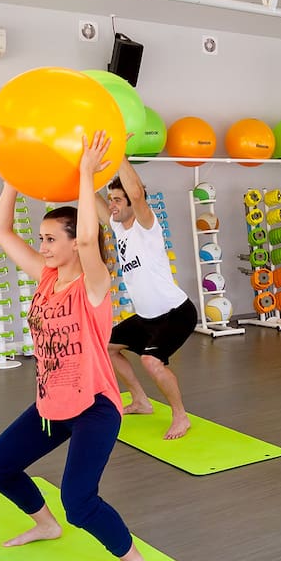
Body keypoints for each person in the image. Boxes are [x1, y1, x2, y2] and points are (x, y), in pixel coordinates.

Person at [0, 133, 148, 561]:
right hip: (52, 403)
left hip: (94, 406)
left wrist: (84, 173)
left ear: (77, 244)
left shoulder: (96, 285)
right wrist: (12, 178)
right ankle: (44, 525)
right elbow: (1, 232)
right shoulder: (46, 277)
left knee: (80, 501)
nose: (45, 246)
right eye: (43, 239)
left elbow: (93, 235)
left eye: (52, 239)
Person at [91, 158, 199, 440]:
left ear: (131, 202)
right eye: (110, 199)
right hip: (146, 318)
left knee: (152, 362)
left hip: (176, 313)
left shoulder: (146, 226)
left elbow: (136, 192)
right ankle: (141, 400)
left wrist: (117, 155)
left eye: (117, 199)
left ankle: (181, 416)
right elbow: (92, 197)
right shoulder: (118, 228)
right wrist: (82, 172)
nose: (112, 204)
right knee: (107, 346)